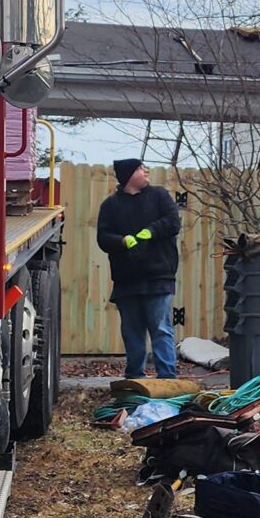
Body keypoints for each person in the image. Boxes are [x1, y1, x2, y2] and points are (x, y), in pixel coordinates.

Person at [95, 156, 181, 379]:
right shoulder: (111, 206)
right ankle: (134, 376)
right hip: (127, 281)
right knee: (132, 332)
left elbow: (173, 222)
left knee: (161, 329)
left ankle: (167, 377)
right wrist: (122, 241)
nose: (146, 171)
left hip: (159, 277)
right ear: (129, 175)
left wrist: (151, 231)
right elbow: (103, 237)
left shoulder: (159, 196)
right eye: (140, 169)